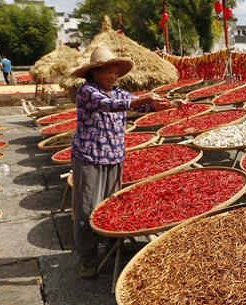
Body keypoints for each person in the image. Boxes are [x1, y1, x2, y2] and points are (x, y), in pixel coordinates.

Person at [69, 46, 175, 279]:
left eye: (116, 72)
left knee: (110, 204)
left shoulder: (118, 92)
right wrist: (142, 99)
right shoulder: (87, 91)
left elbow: (136, 105)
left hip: (115, 156)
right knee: (87, 207)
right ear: (95, 72)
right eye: (109, 72)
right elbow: (109, 106)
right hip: (90, 156)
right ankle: (85, 258)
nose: (114, 77)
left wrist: (157, 105)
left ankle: (111, 246)